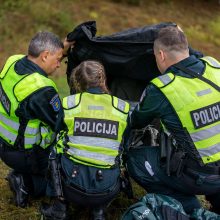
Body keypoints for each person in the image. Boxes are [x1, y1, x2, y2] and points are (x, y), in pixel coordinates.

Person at [125, 26, 220, 215]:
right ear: (186, 47)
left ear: (160, 54)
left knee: (136, 160)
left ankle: (187, 206)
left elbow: (136, 121)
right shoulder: (214, 66)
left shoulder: (163, 88)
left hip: (198, 176)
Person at [40, 60, 130, 220]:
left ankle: (60, 208)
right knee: (118, 151)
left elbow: (57, 129)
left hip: (71, 187)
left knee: (57, 145)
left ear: (78, 82)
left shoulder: (69, 104)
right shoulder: (122, 108)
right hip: (108, 189)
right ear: (103, 80)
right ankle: (99, 211)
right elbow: (125, 142)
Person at [0, 31, 69, 208]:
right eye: (58, 59)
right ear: (45, 56)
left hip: (5, 144)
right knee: (69, 172)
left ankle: (23, 176)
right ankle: (25, 183)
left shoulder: (13, 61)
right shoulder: (41, 89)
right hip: (27, 154)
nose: (59, 65)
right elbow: (62, 123)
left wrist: (62, 48)